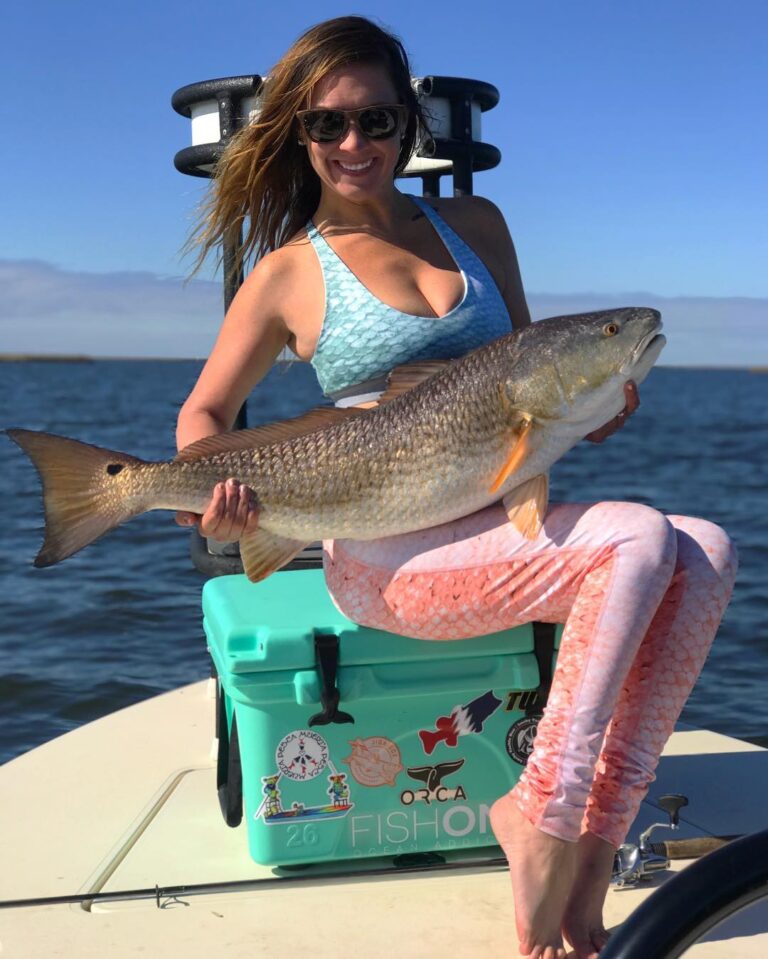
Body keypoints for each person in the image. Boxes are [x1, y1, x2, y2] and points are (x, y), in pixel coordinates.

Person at [175, 16, 737, 959]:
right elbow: (203, 416)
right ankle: (540, 812)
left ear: (409, 127)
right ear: (299, 136)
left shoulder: (475, 226)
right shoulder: (285, 274)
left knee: (708, 549)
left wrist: (590, 404)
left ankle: (596, 843)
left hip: (494, 526)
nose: (355, 144)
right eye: (328, 125)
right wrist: (214, 499)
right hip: (382, 555)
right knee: (640, 535)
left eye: (378, 119)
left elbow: (525, 375)